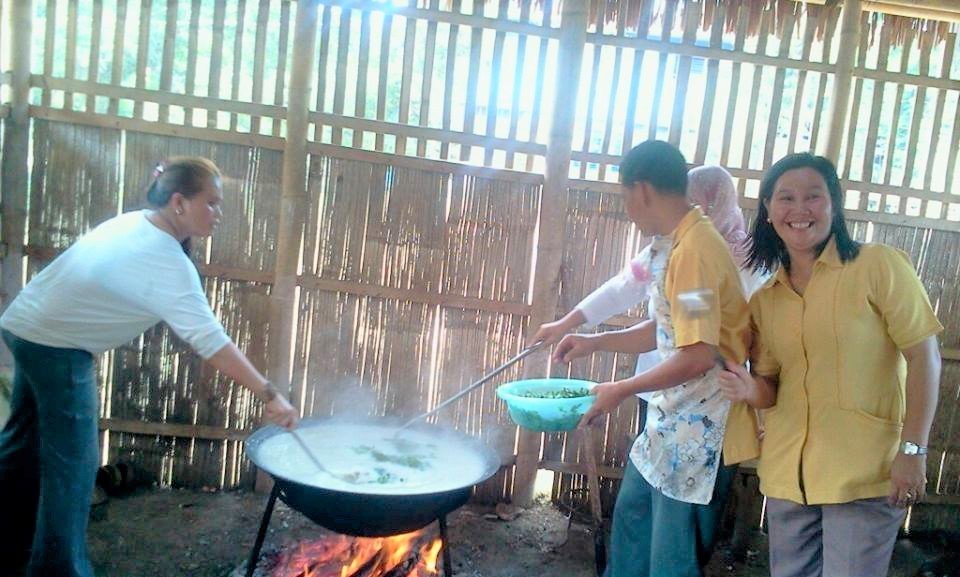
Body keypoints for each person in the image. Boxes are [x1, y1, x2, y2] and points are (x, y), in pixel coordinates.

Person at [0, 157, 299, 577]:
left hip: (25, 327)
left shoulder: (138, 222)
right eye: (211, 203)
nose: (218, 212)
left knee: (20, 448)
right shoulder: (164, 257)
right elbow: (210, 341)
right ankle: (57, 570)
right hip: (57, 347)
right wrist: (270, 394)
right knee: (74, 469)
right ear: (179, 202)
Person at [717, 153, 943, 577]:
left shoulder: (878, 266)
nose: (799, 209)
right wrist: (750, 389)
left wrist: (913, 450)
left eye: (813, 197)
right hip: (788, 476)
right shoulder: (766, 300)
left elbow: (924, 356)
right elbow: (770, 386)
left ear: (834, 205)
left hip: (863, 473)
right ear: (767, 210)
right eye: (785, 198)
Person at [553, 141, 752, 577]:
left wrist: (620, 389)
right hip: (665, 421)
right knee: (632, 525)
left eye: (625, 197)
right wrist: (595, 341)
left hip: (700, 428)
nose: (627, 208)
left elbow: (700, 354)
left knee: (669, 558)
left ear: (640, 190)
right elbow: (667, 330)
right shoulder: (671, 243)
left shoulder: (697, 251)